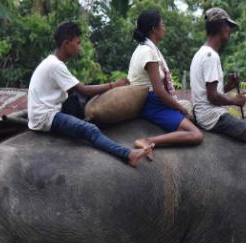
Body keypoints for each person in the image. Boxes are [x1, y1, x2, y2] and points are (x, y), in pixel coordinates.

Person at [28, 21, 153, 167]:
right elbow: (83, 90)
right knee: (90, 129)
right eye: (78, 43)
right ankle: (128, 154)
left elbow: (75, 91)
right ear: (66, 44)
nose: (79, 48)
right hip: (46, 116)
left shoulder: (52, 62)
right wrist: (113, 85)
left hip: (44, 111)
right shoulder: (55, 66)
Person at [189, 8, 246, 177]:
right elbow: (212, 98)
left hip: (204, 113)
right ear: (220, 28)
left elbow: (211, 92)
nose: (230, 31)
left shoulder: (201, 53)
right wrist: (235, 101)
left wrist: (229, 86)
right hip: (213, 116)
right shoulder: (211, 56)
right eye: (228, 26)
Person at [128, 9, 203, 150]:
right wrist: (180, 108)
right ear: (153, 29)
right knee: (196, 134)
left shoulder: (143, 49)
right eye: (162, 24)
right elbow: (159, 90)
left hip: (150, 100)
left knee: (185, 122)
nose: (164, 28)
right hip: (152, 103)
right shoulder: (149, 52)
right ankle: (147, 140)